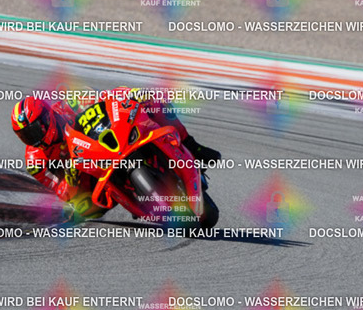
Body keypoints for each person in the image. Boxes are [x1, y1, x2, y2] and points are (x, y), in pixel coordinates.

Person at [11, 89, 221, 220]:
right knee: (84, 208)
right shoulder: (36, 162)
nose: (33, 139)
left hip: (109, 141)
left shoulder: (69, 104)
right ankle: (129, 193)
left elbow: (106, 98)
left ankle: (192, 146)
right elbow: (62, 192)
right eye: (25, 136)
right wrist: (71, 180)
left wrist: (131, 94)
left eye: (34, 131)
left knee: (152, 101)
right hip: (87, 176)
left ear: (46, 118)